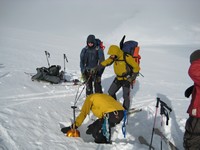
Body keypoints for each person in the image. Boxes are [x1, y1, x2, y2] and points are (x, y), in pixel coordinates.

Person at [100, 45, 140, 110]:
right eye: (111, 55)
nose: (111, 56)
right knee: (111, 92)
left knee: (125, 96)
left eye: (113, 55)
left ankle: (125, 110)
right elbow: (107, 62)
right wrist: (98, 67)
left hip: (126, 79)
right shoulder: (114, 57)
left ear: (117, 53)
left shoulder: (126, 57)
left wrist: (132, 78)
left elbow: (136, 68)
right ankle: (116, 106)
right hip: (118, 78)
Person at [183, 49, 200, 149]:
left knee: (192, 135)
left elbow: (193, 71)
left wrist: (197, 59)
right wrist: (194, 87)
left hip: (198, 113)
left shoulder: (196, 65)